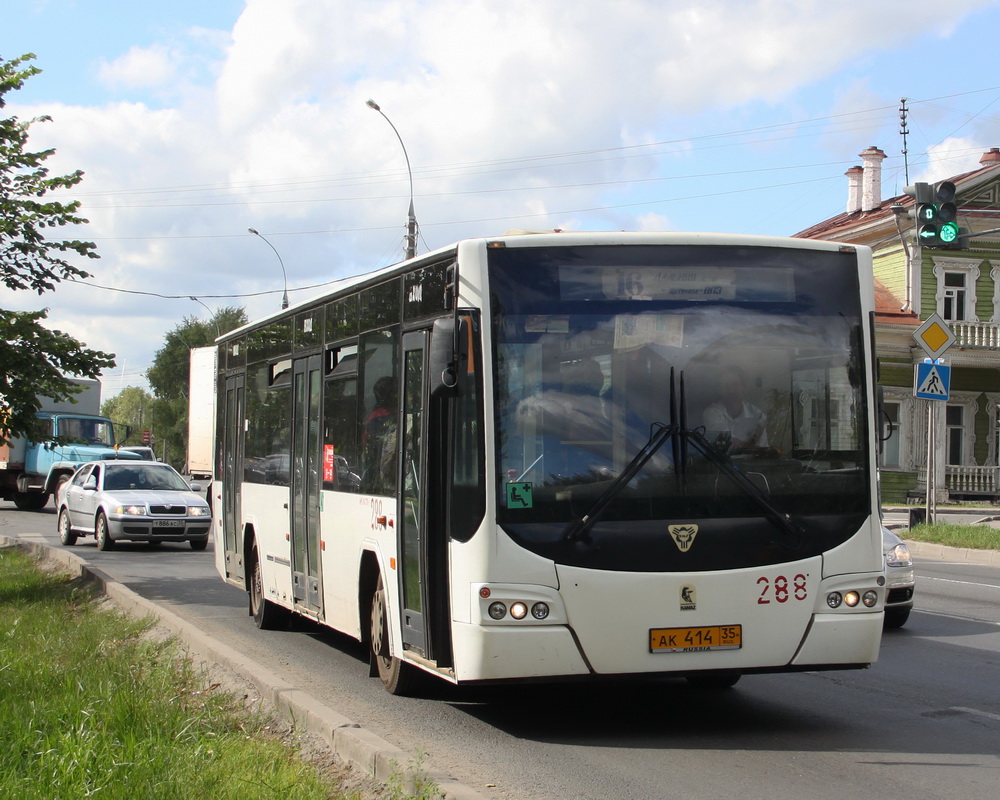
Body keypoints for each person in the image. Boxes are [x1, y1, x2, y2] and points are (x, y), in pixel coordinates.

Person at [703, 366, 768, 450]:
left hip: (752, 463)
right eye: (725, 386)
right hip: (721, 462)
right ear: (719, 390)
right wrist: (753, 447)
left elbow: (763, 449)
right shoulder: (711, 413)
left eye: (735, 384)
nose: (730, 390)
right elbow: (728, 442)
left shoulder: (758, 415)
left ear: (743, 387)